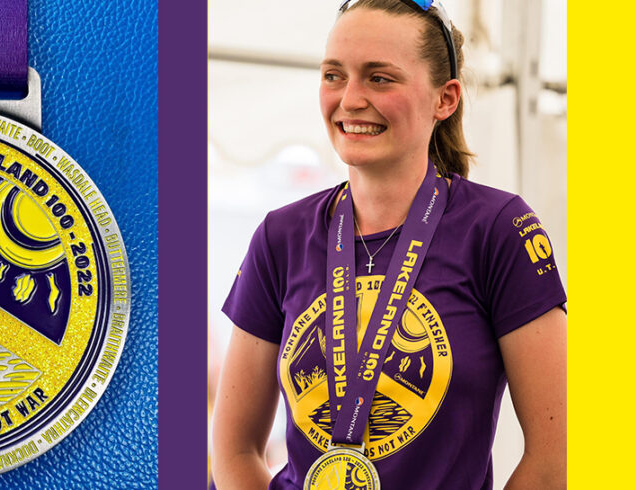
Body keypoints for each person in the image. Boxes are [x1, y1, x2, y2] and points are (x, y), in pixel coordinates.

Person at [209, 1, 566, 489]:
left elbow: (557, 454)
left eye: (380, 78)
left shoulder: (498, 228)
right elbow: (233, 450)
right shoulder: (281, 236)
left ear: (446, 99)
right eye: (334, 75)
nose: (350, 99)